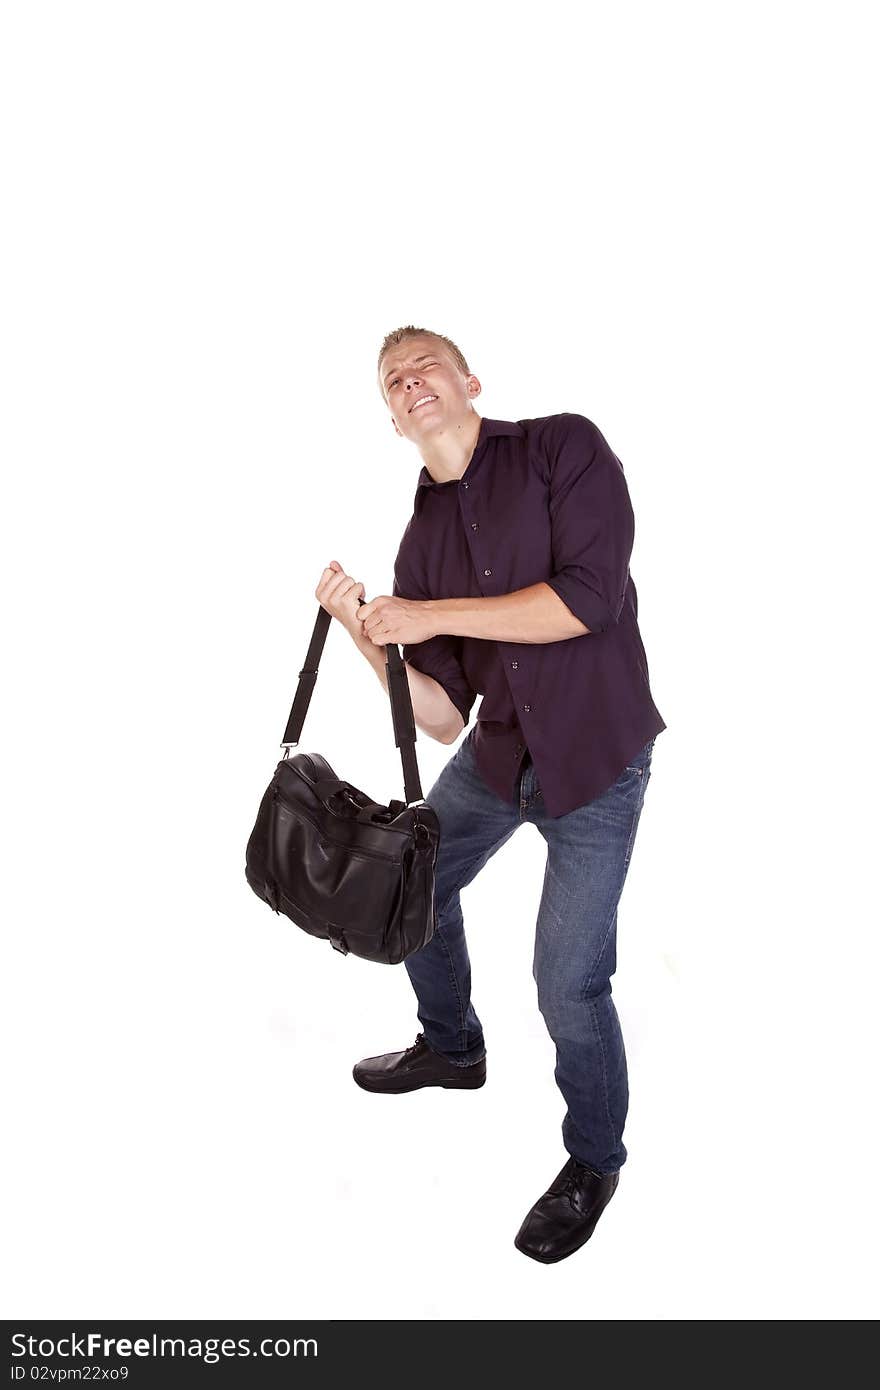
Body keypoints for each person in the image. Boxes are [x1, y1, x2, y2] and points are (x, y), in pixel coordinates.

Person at [314, 325, 666, 1264]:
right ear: (391, 419)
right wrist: (365, 629)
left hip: (597, 760)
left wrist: (425, 614)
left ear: (468, 381)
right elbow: (435, 714)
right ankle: (453, 1046)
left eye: (425, 362)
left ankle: (594, 1161)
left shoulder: (563, 447)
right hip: (500, 757)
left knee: (568, 984)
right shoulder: (421, 537)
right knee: (410, 879)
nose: (410, 378)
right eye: (394, 379)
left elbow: (587, 599)